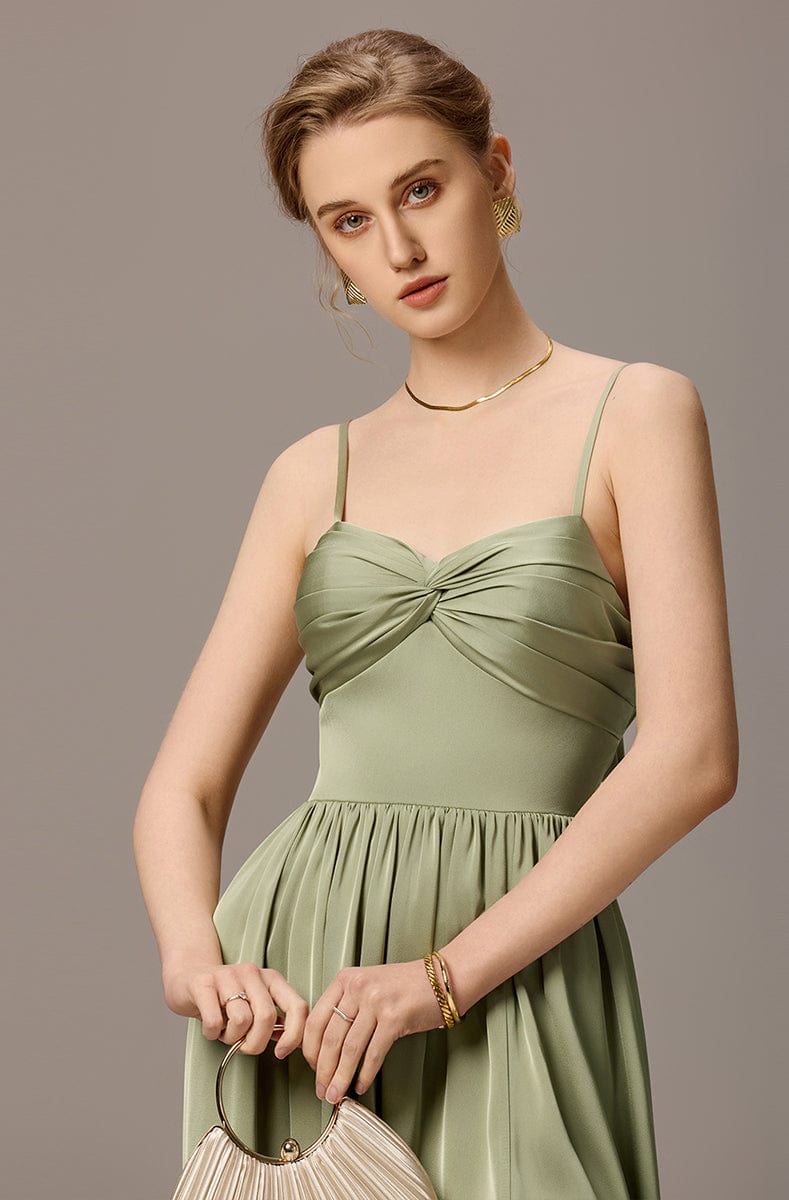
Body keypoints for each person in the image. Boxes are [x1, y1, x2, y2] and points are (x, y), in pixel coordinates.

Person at [133, 27, 738, 1200]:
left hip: (517, 967)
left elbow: (694, 758)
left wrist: (442, 978)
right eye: (348, 221)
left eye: (421, 190)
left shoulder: (636, 414)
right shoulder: (314, 473)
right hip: (311, 995)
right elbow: (181, 790)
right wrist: (194, 960)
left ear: (494, 172)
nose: (399, 249)